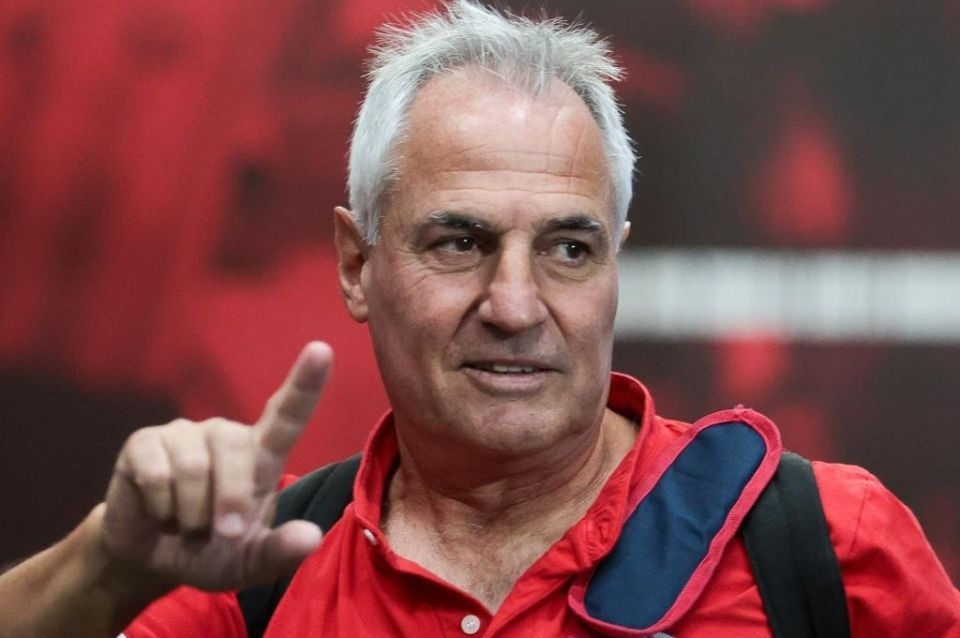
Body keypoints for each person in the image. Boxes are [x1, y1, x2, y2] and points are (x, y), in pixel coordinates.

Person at [1, 1, 958, 636]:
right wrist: (107, 565)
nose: (514, 306)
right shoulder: (253, 577)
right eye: (459, 242)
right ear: (357, 264)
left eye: (568, 249)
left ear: (616, 265)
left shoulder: (824, 542)